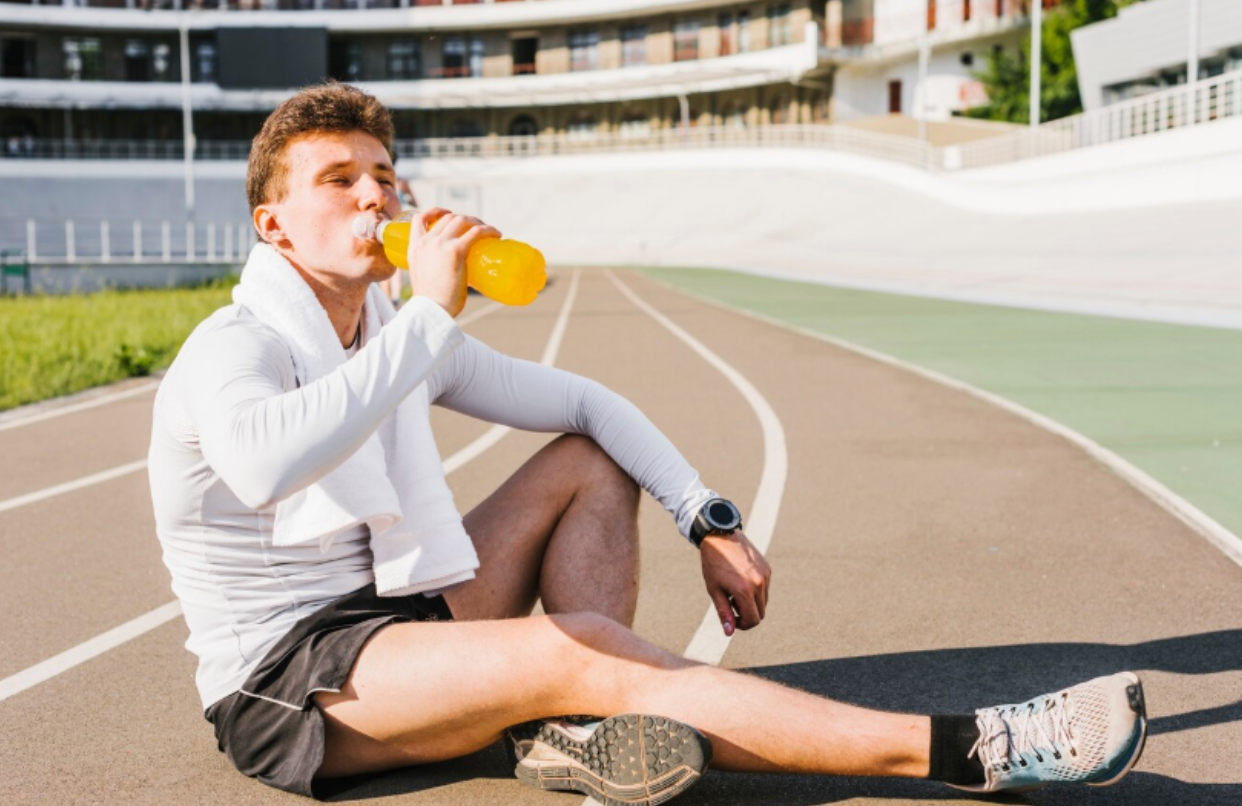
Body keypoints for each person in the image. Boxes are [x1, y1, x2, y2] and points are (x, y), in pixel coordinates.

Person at [148, 83, 1148, 804]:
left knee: (589, 460)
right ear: (274, 224)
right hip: (291, 680)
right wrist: (428, 319)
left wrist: (707, 518)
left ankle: (577, 723)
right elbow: (265, 463)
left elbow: (588, 404)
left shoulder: (387, 333)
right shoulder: (234, 346)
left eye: (384, 177)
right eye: (339, 181)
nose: (375, 198)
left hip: (393, 614)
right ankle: (975, 746)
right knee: (578, 650)